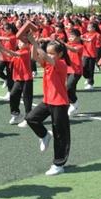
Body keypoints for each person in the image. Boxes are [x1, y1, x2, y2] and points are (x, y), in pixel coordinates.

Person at [25, 35, 70, 176]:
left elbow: (44, 55)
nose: (49, 55)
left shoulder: (61, 64)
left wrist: (35, 43)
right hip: (48, 101)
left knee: (60, 134)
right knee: (31, 118)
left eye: (52, 53)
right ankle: (44, 135)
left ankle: (59, 164)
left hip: (60, 103)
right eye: (48, 52)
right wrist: (33, 45)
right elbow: (35, 57)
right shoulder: (48, 64)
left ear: (60, 54)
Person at [0, 38, 33, 126]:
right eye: (19, 42)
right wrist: (0, 48)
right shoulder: (19, 52)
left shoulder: (26, 52)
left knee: (27, 100)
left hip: (27, 79)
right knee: (13, 95)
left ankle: (28, 119)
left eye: (22, 42)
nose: (20, 44)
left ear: (28, 45)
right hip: (19, 79)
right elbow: (9, 55)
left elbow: (13, 53)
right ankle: (16, 114)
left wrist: (2, 47)